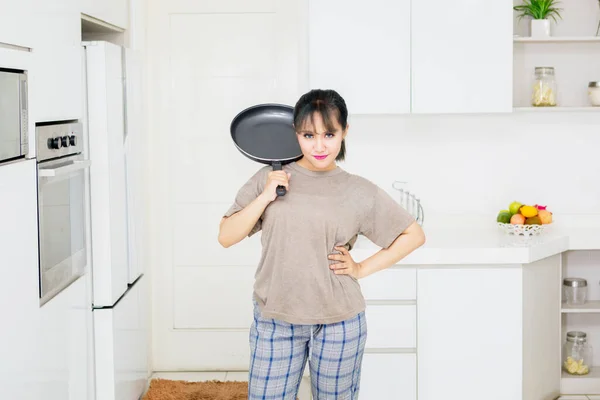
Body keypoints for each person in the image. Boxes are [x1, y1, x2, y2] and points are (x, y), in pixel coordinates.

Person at [218, 89, 426, 400]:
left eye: (329, 134)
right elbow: (226, 236)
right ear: (295, 133)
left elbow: (414, 235)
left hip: (339, 322)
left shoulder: (358, 190)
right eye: (308, 134)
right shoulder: (271, 177)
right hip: (276, 319)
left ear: (344, 132)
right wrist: (265, 197)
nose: (319, 145)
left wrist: (360, 268)